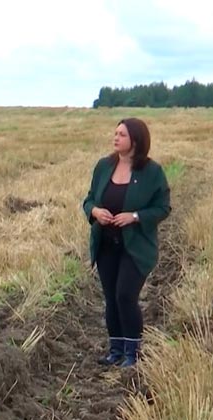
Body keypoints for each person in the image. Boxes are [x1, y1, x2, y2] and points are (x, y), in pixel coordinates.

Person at [82, 118, 171, 368]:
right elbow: (88, 200)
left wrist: (135, 216)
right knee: (111, 297)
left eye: (121, 134)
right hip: (106, 245)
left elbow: (163, 208)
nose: (116, 138)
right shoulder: (103, 166)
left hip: (136, 247)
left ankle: (133, 354)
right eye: (115, 133)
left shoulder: (152, 172)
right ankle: (116, 350)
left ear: (136, 140)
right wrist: (95, 212)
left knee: (125, 295)